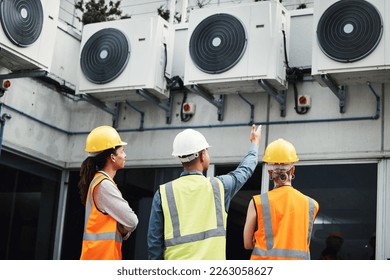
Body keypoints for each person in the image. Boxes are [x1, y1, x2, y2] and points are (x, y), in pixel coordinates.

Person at [147, 124, 262, 260]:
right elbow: (245, 170)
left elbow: (154, 244)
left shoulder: (164, 193)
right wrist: (255, 144)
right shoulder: (219, 186)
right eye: (206, 151)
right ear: (202, 156)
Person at [243, 138, 319, 260]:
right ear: (292, 169)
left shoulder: (257, 202)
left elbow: (247, 244)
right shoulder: (311, 205)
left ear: (269, 172)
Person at [78, 125, 138, 260]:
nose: (125, 155)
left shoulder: (99, 181)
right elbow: (132, 221)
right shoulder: (104, 186)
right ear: (112, 157)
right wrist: (121, 228)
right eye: (122, 151)